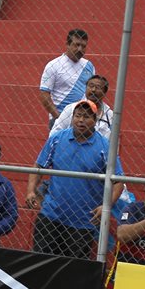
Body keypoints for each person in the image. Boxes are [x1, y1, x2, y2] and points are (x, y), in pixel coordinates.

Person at [25, 100, 122, 260]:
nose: (81, 120)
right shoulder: (57, 139)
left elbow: (117, 181)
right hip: (51, 215)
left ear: (95, 120)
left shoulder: (105, 147)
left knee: (73, 270)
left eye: (86, 117)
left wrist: (106, 206)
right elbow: (39, 166)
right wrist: (30, 191)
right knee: (40, 263)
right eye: (77, 116)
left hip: (82, 222)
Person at [39, 29, 95, 130]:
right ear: (67, 44)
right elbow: (44, 94)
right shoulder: (53, 65)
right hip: (59, 120)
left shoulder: (89, 66)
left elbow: (92, 93)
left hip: (82, 122)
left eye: (83, 46)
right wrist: (59, 118)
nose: (80, 49)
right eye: (76, 45)